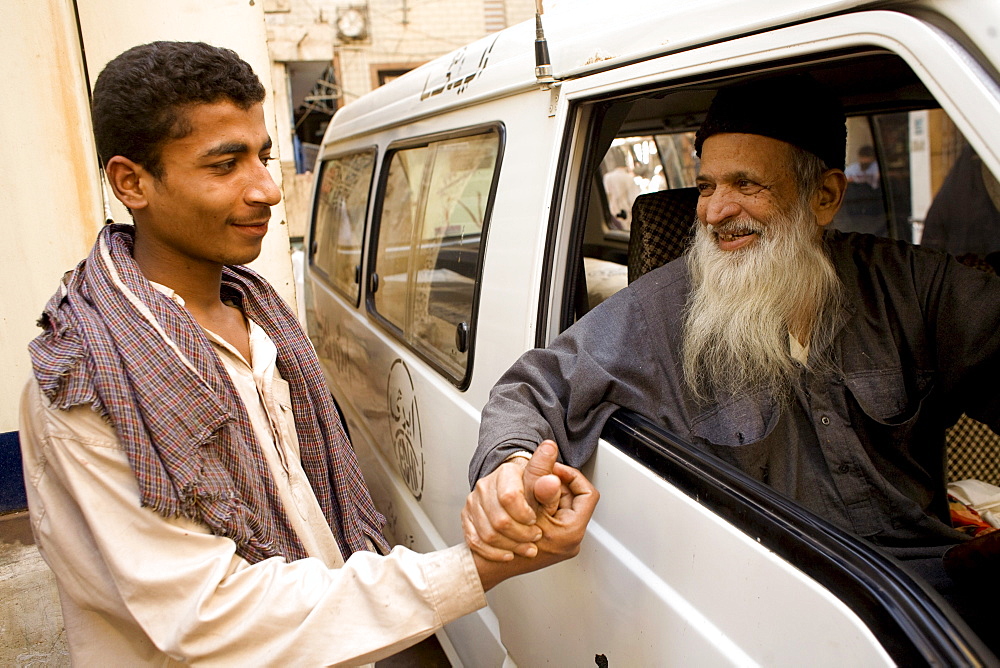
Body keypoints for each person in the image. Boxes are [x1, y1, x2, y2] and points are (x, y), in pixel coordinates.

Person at [19, 41, 598, 665]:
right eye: (224, 165)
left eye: (263, 157)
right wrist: (477, 566)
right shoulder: (87, 380)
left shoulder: (261, 320)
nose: (267, 189)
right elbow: (209, 617)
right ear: (131, 181)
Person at [464, 75, 1000, 645]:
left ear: (825, 197)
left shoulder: (912, 287)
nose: (716, 211)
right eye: (705, 187)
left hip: (935, 606)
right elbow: (534, 386)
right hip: (769, 618)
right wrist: (509, 470)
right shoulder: (661, 310)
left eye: (746, 184)